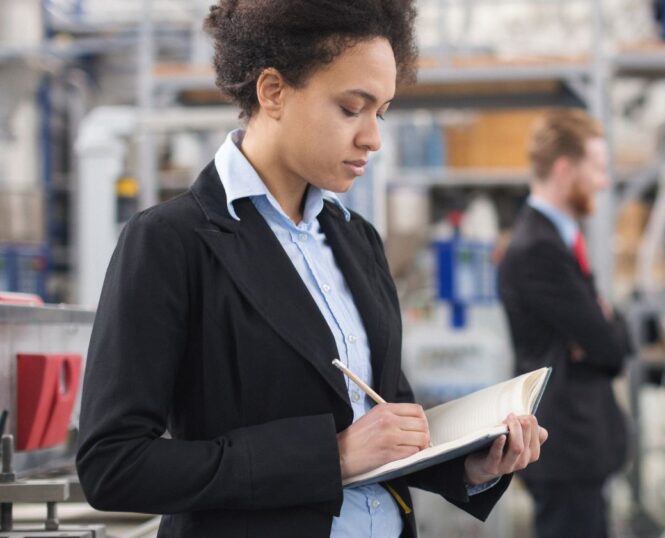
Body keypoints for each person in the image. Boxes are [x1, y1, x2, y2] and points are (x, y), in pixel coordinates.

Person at [75, 1, 546, 536]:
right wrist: (331, 456)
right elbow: (113, 464)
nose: (373, 137)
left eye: (381, 112)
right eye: (351, 108)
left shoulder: (357, 239)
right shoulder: (171, 242)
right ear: (273, 91)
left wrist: (470, 465)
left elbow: (388, 421)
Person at [498, 109, 632, 538]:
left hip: (580, 446)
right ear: (564, 169)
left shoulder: (559, 239)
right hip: (565, 445)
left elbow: (608, 341)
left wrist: (602, 332)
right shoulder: (538, 249)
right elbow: (610, 348)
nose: (604, 181)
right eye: (597, 168)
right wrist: (602, 329)